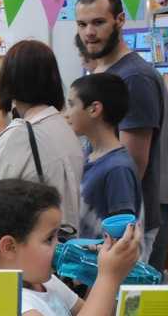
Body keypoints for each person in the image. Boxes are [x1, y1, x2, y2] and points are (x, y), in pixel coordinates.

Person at [75, 0, 168, 270]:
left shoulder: (134, 78)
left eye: (98, 22)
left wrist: (114, 231)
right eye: (83, 24)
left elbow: (133, 164)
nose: (89, 32)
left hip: (130, 224)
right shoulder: (102, 71)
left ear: (119, 20)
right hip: (109, 221)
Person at [0, 179, 141, 316]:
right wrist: (109, 278)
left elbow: (90, 310)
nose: (59, 244)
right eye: (49, 239)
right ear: (9, 246)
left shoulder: (45, 282)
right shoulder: (14, 304)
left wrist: (101, 274)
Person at [0, 40, 83, 228]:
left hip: (28, 246)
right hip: (66, 241)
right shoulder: (65, 127)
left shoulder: (19, 133)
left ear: (9, 79)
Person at [64, 73, 141, 239]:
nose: (66, 113)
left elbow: (123, 238)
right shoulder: (88, 153)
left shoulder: (117, 169)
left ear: (94, 109)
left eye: (71, 105)